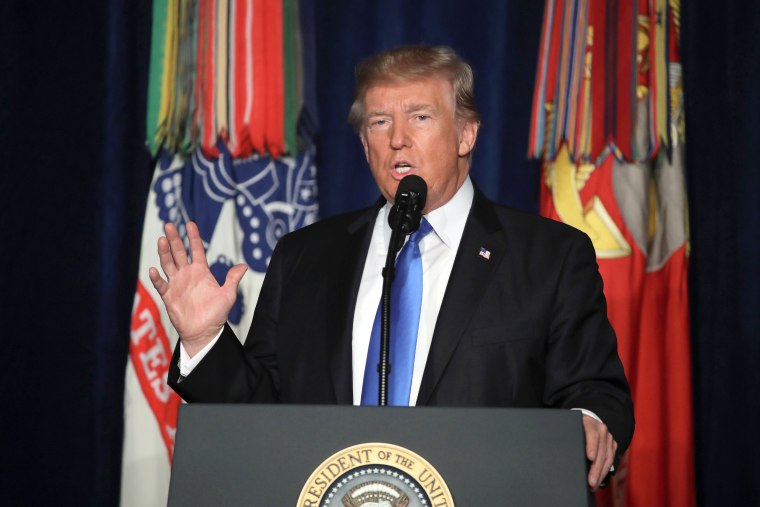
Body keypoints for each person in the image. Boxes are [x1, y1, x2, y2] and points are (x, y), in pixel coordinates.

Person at [150, 45, 634, 490]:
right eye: (379, 122)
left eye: (420, 117)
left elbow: (595, 390)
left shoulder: (548, 256)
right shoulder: (305, 257)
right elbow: (260, 419)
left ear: (466, 133)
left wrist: (588, 422)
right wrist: (203, 341)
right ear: (365, 144)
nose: (398, 139)